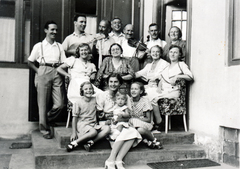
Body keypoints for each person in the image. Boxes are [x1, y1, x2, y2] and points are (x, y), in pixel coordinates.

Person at [28, 20, 66, 139]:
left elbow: (64, 61)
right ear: (46, 31)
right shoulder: (39, 46)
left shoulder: (59, 46)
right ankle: (44, 129)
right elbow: (29, 61)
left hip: (57, 71)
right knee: (43, 103)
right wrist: (38, 70)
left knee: (60, 104)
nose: (54, 32)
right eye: (52, 30)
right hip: (43, 71)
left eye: (56, 30)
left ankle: (46, 119)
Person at [96, 73, 142, 169]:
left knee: (132, 131)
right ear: (107, 83)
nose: (113, 84)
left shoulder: (125, 97)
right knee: (130, 133)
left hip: (122, 122)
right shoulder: (102, 95)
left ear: (120, 83)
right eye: (111, 82)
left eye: (116, 82)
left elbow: (129, 115)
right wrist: (108, 116)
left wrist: (121, 118)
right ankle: (114, 159)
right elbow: (99, 115)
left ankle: (115, 159)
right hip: (107, 123)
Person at [149, 45, 193, 123]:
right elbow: (162, 79)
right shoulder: (167, 67)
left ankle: (159, 122)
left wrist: (177, 76)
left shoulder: (181, 64)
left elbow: (190, 76)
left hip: (174, 92)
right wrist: (159, 87)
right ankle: (153, 122)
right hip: (165, 91)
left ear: (179, 55)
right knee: (148, 95)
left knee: (153, 98)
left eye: (175, 52)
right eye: (171, 52)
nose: (172, 54)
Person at [66, 82, 110, 152]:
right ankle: (74, 143)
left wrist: (100, 114)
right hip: (83, 124)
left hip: (93, 124)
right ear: (82, 91)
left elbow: (97, 110)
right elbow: (74, 118)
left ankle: (90, 142)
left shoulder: (95, 99)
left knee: (107, 128)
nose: (88, 91)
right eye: (86, 89)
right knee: (93, 132)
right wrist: (74, 132)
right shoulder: (78, 102)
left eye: (90, 89)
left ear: (93, 90)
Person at [135, 45, 169, 127]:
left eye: (157, 52)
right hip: (151, 86)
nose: (155, 53)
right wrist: (129, 74)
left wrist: (158, 84)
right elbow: (138, 74)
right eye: (153, 51)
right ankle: (148, 122)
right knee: (138, 93)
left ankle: (158, 121)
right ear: (150, 53)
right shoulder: (149, 65)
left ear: (160, 53)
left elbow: (165, 77)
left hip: (161, 87)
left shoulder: (165, 64)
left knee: (149, 96)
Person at [129, 82, 162, 149]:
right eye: (132, 89)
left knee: (140, 130)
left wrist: (135, 119)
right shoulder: (129, 100)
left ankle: (153, 139)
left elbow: (148, 119)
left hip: (145, 123)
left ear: (141, 91)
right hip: (132, 124)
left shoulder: (145, 100)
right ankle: (146, 141)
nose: (133, 91)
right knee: (135, 129)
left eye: (136, 89)